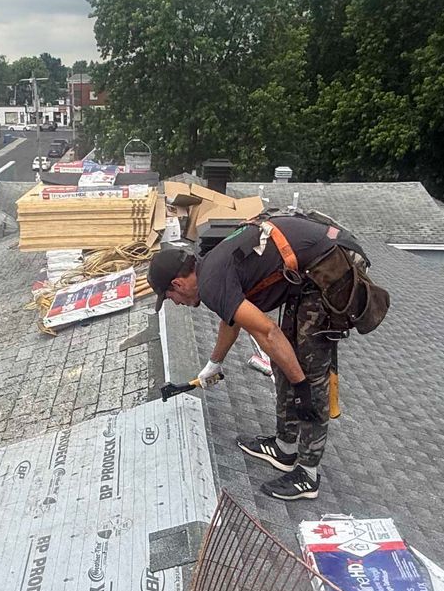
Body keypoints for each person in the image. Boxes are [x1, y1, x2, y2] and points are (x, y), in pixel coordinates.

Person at [149, 212, 372, 501]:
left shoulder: (212, 282)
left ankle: (308, 474)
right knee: (286, 362)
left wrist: (302, 387)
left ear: (177, 285)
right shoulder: (211, 270)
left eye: (170, 298)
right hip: (308, 272)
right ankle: (285, 447)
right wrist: (214, 363)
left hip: (334, 264)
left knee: (309, 373)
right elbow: (232, 318)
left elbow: (267, 333)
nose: (176, 304)